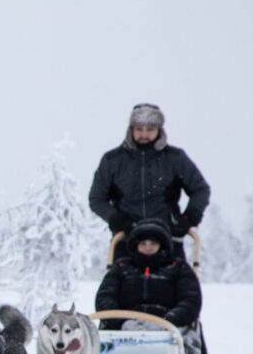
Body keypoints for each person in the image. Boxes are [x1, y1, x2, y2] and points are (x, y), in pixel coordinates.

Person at [95, 218, 212, 354]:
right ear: (136, 245)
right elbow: (105, 297)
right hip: (126, 323)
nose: (148, 247)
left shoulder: (178, 268)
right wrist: (118, 320)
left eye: (153, 243)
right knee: (96, 334)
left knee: (187, 334)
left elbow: (190, 300)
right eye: (143, 243)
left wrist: (170, 320)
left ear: (162, 245)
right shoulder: (122, 267)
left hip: (167, 323)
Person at [89, 103, 210, 259]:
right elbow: (97, 198)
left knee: (181, 276)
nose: (144, 135)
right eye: (139, 129)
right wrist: (116, 219)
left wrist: (188, 217)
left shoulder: (175, 158)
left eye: (150, 129)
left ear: (159, 130)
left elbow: (200, 189)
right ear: (131, 130)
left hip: (167, 239)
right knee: (120, 276)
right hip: (127, 239)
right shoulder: (112, 160)